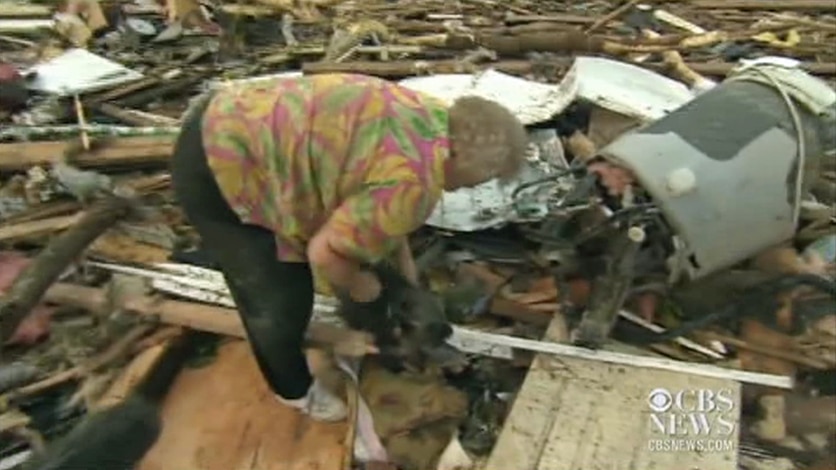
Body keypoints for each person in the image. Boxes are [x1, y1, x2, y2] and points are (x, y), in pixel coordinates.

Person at [170, 73, 528, 422]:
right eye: (482, 179)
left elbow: (387, 214)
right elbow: (324, 254)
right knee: (280, 300)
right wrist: (365, 292)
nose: (472, 188)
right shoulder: (413, 183)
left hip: (235, 113)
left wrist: (408, 281)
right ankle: (294, 391)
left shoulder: (431, 119)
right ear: (462, 157)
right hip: (219, 164)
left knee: (339, 262)